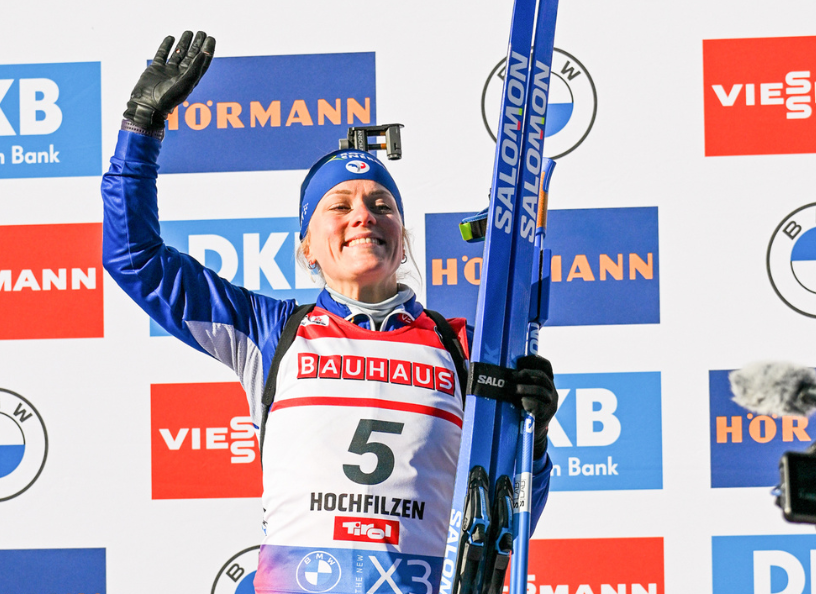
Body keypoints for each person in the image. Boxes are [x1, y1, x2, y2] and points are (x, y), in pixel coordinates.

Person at [102, 30, 559, 594]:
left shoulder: (462, 346)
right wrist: (141, 125)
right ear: (306, 246)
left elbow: (510, 516)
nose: (363, 216)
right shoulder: (273, 333)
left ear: (404, 236)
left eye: (381, 205)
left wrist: (532, 439)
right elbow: (135, 259)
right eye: (339, 206)